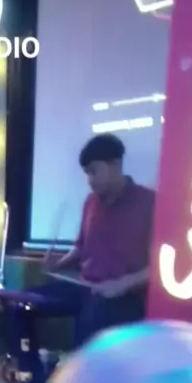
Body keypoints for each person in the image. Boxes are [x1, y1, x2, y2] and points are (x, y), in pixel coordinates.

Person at [42, 133, 155, 346]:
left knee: (93, 316)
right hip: (86, 287)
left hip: (126, 296)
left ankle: (81, 367)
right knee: (21, 304)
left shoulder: (150, 202)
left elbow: (160, 266)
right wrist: (58, 264)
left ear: (115, 164)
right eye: (87, 174)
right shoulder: (90, 202)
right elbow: (81, 247)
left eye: (94, 172)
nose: (90, 180)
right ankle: (30, 365)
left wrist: (122, 283)